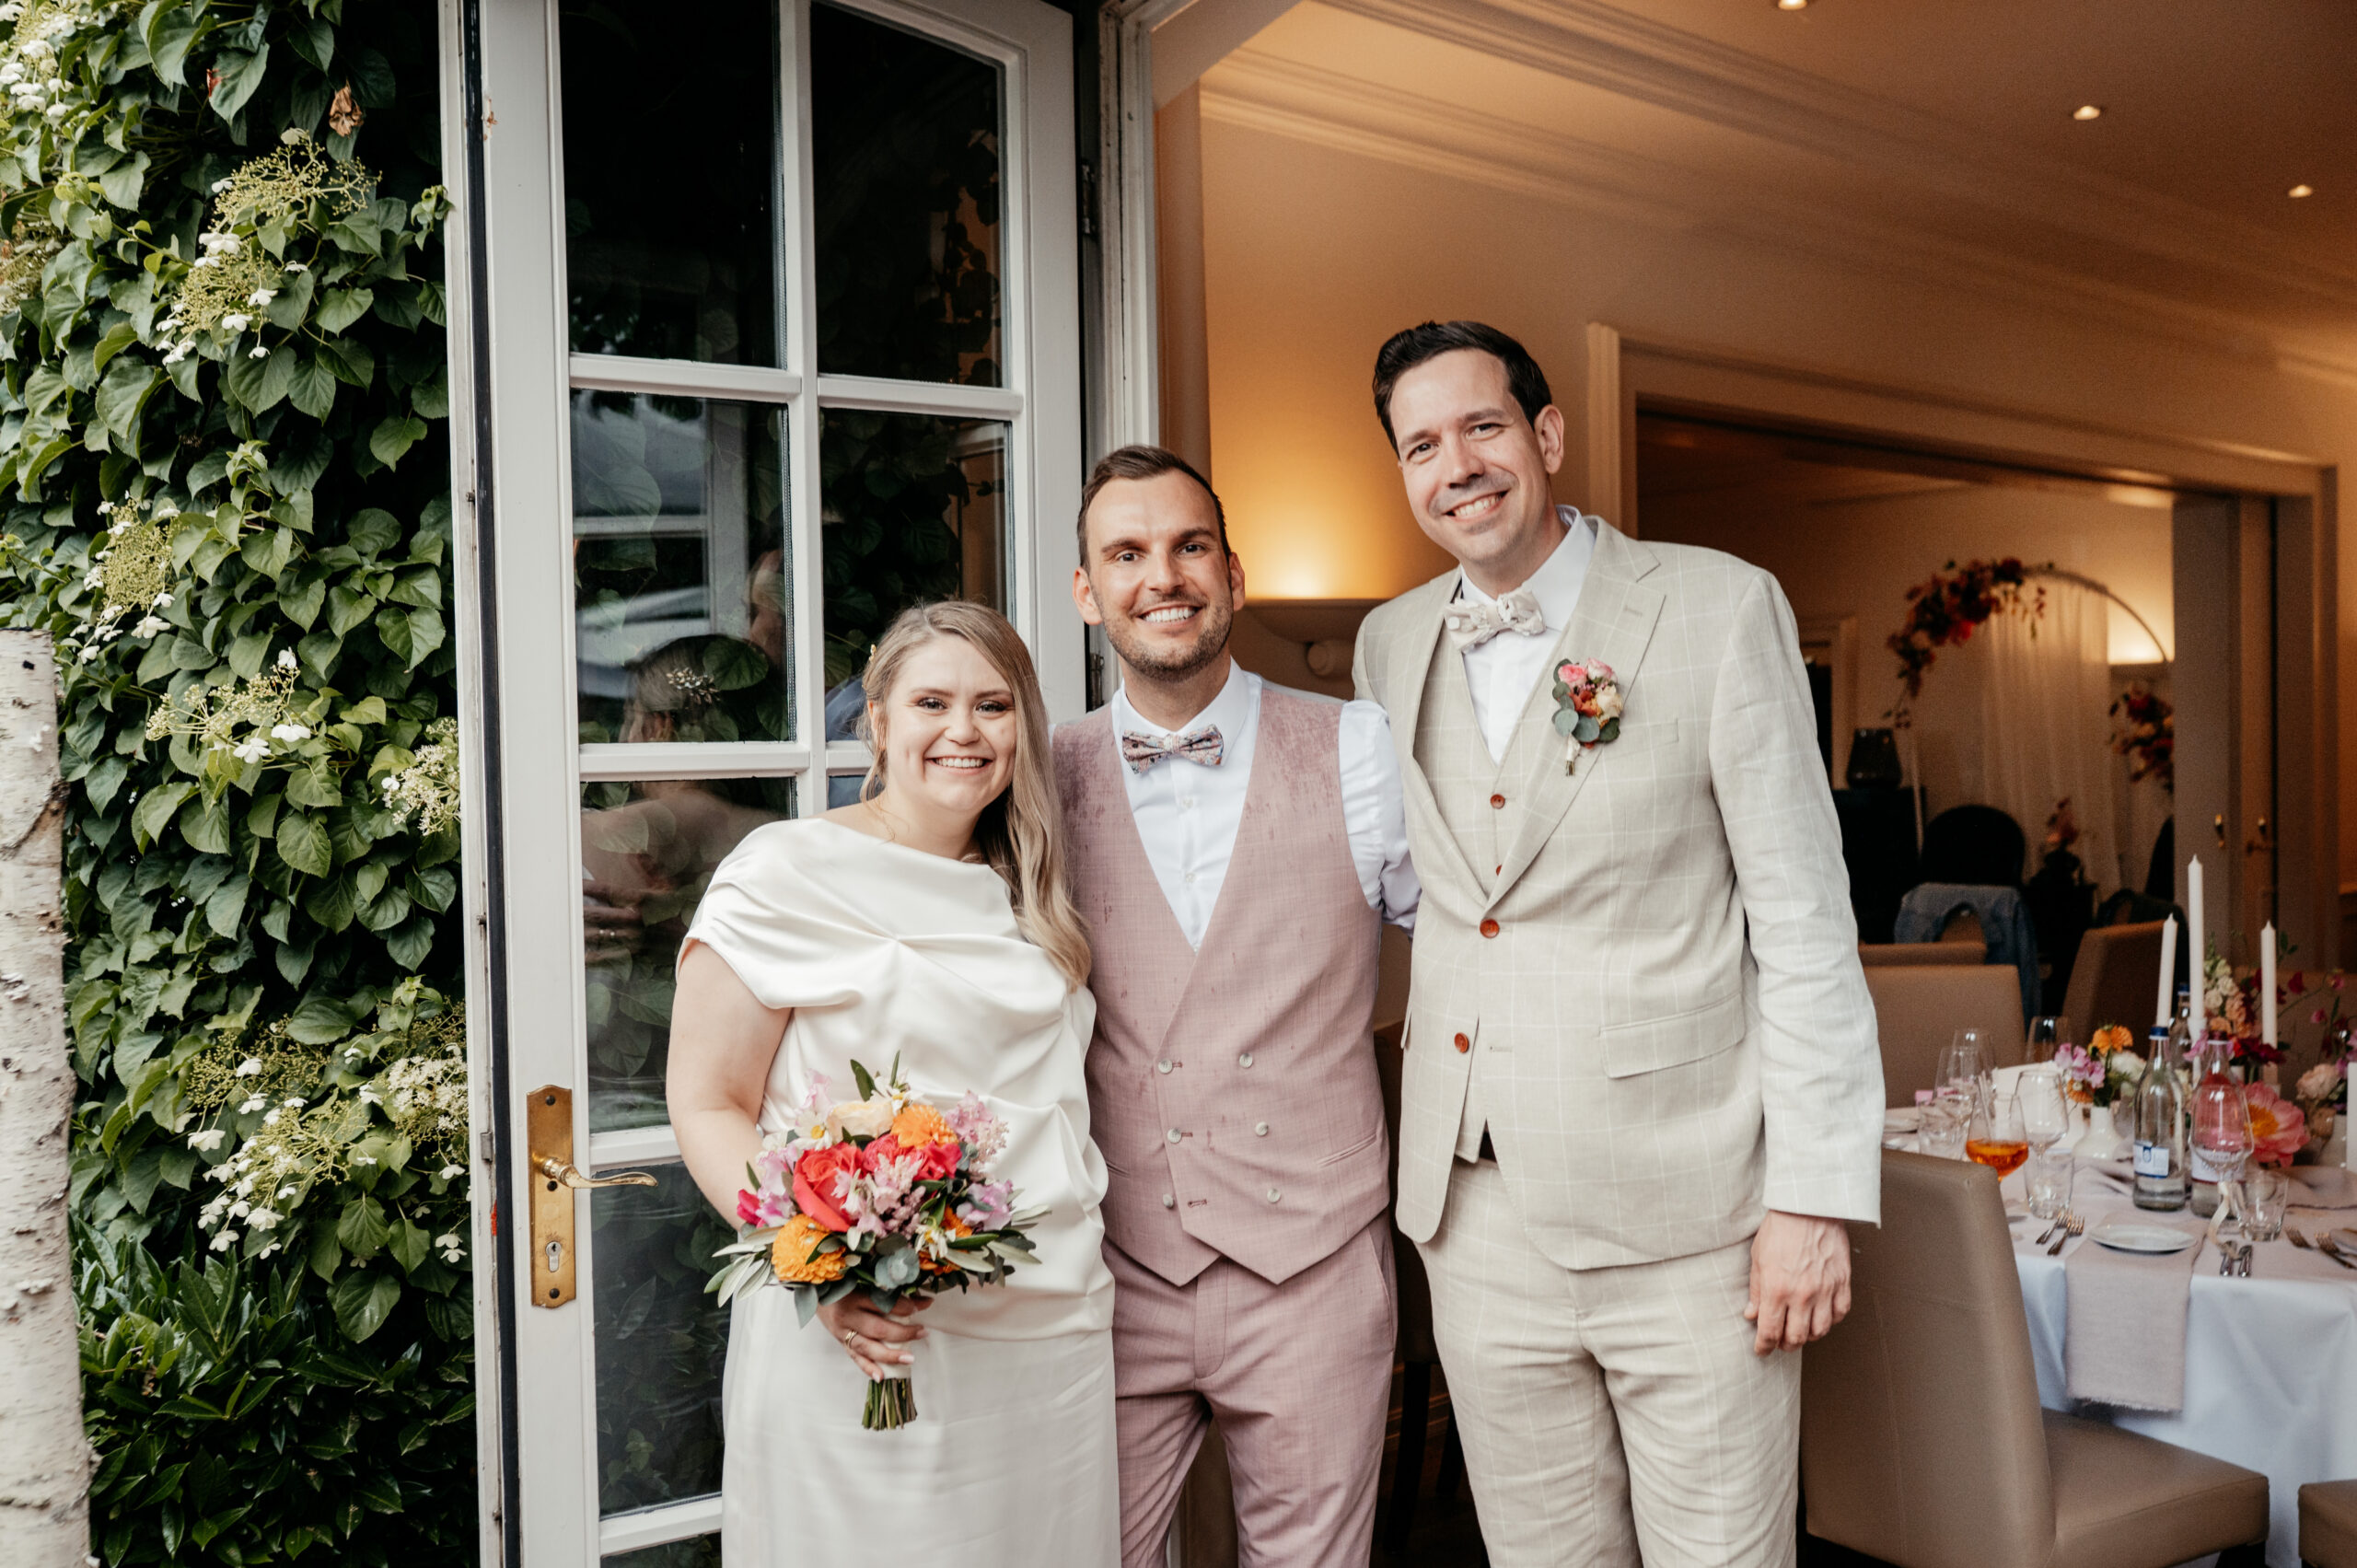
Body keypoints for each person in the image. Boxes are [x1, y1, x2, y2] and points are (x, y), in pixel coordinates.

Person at [1350, 321, 1883, 1567]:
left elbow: (1804, 924)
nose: (1457, 464)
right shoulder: (1390, 640)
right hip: (1473, 1220)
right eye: (1421, 444)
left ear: (1547, 435)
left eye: (1483, 426)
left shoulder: (1719, 604)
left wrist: (1809, 1197)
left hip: (1689, 1215)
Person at [666, 601, 1119, 1565]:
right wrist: (818, 1263)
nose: (964, 731)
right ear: (876, 720)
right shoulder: (785, 871)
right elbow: (708, 1101)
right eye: (932, 702)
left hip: (1050, 1340)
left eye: (993, 705)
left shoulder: (1031, 886)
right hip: (868, 1336)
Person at [1056, 446, 1420, 1567]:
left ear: (1233, 573)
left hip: (1313, 1264)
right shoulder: (1032, 772)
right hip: (1103, 1272)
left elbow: (1484, 952)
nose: (1161, 575)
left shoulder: (1358, 744)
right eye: (1126, 553)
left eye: (1188, 546)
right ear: (1087, 592)